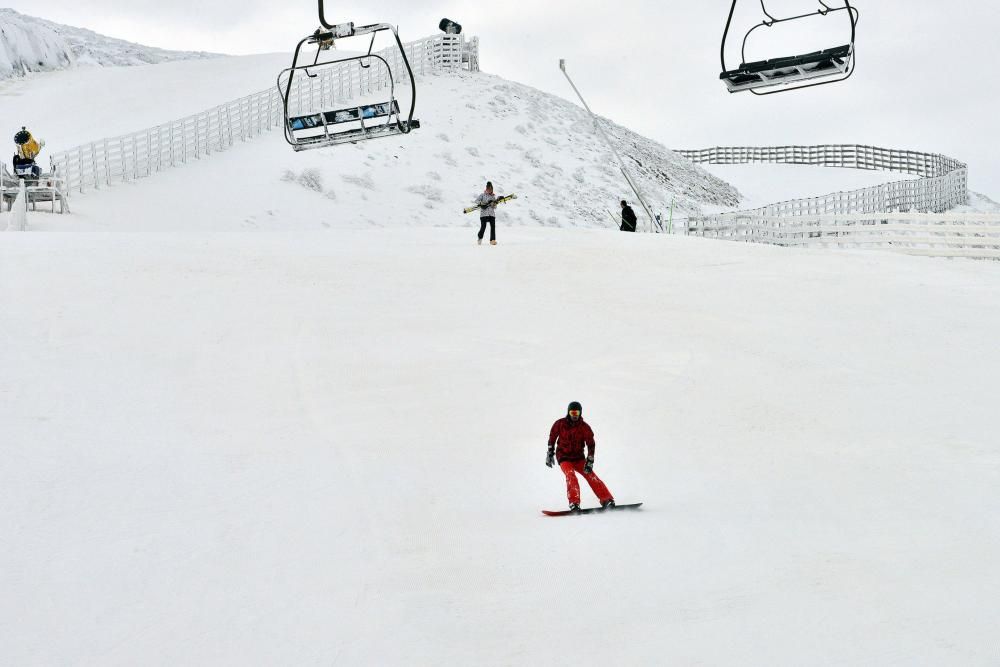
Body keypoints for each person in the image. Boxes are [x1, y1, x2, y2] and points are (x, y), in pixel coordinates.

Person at [546, 401, 615, 511]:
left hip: (579, 458)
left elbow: (591, 444)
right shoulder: (560, 424)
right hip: (564, 457)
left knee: (591, 475)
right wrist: (550, 453)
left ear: (580, 413)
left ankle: (607, 499)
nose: (574, 415)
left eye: (576, 413)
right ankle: (574, 503)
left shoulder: (584, 427)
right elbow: (552, 437)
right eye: (572, 413)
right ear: (568, 412)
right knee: (570, 475)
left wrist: (590, 460)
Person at [473, 181, 500, 245]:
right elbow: (476, 201)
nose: (490, 190)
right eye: (488, 189)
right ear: (486, 189)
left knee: (493, 227)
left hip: (491, 214)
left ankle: (492, 240)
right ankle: (480, 237)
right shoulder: (482, 195)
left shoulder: (493, 197)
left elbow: (495, 207)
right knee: (483, 227)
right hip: (484, 214)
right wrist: (482, 203)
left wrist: (494, 204)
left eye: (491, 189)